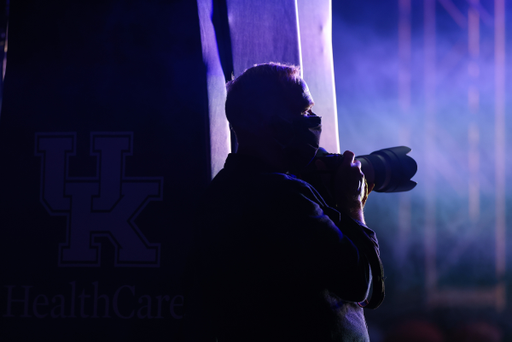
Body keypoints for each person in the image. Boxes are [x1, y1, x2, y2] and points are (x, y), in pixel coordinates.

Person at [185, 63, 383, 342]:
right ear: (267, 122)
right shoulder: (284, 197)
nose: (314, 120)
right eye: (303, 111)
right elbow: (361, 282)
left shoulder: (222, 192)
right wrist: (351, 204)